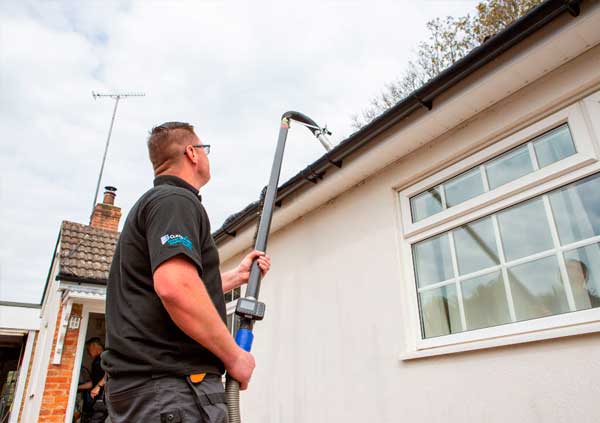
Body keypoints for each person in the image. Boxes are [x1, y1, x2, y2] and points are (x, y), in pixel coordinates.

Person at [102, 121, 271, 423]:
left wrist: (237, 276)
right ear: (192, 153)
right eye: (205, 149)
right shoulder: (175, 201)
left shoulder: (156, 204)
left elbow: (177, 285)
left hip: (153, 393)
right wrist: (234, 356)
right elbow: (176, 287)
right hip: (172, 392)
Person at [84, 338, 108, 423]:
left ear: (94, 346)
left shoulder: (105, 357)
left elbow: (110, 373)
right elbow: (93, 383)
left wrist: (98, 386)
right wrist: (76, 387)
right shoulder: (97, 361)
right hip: (100, 399)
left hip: (104, 398)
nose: (88, 352)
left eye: (88, 348)